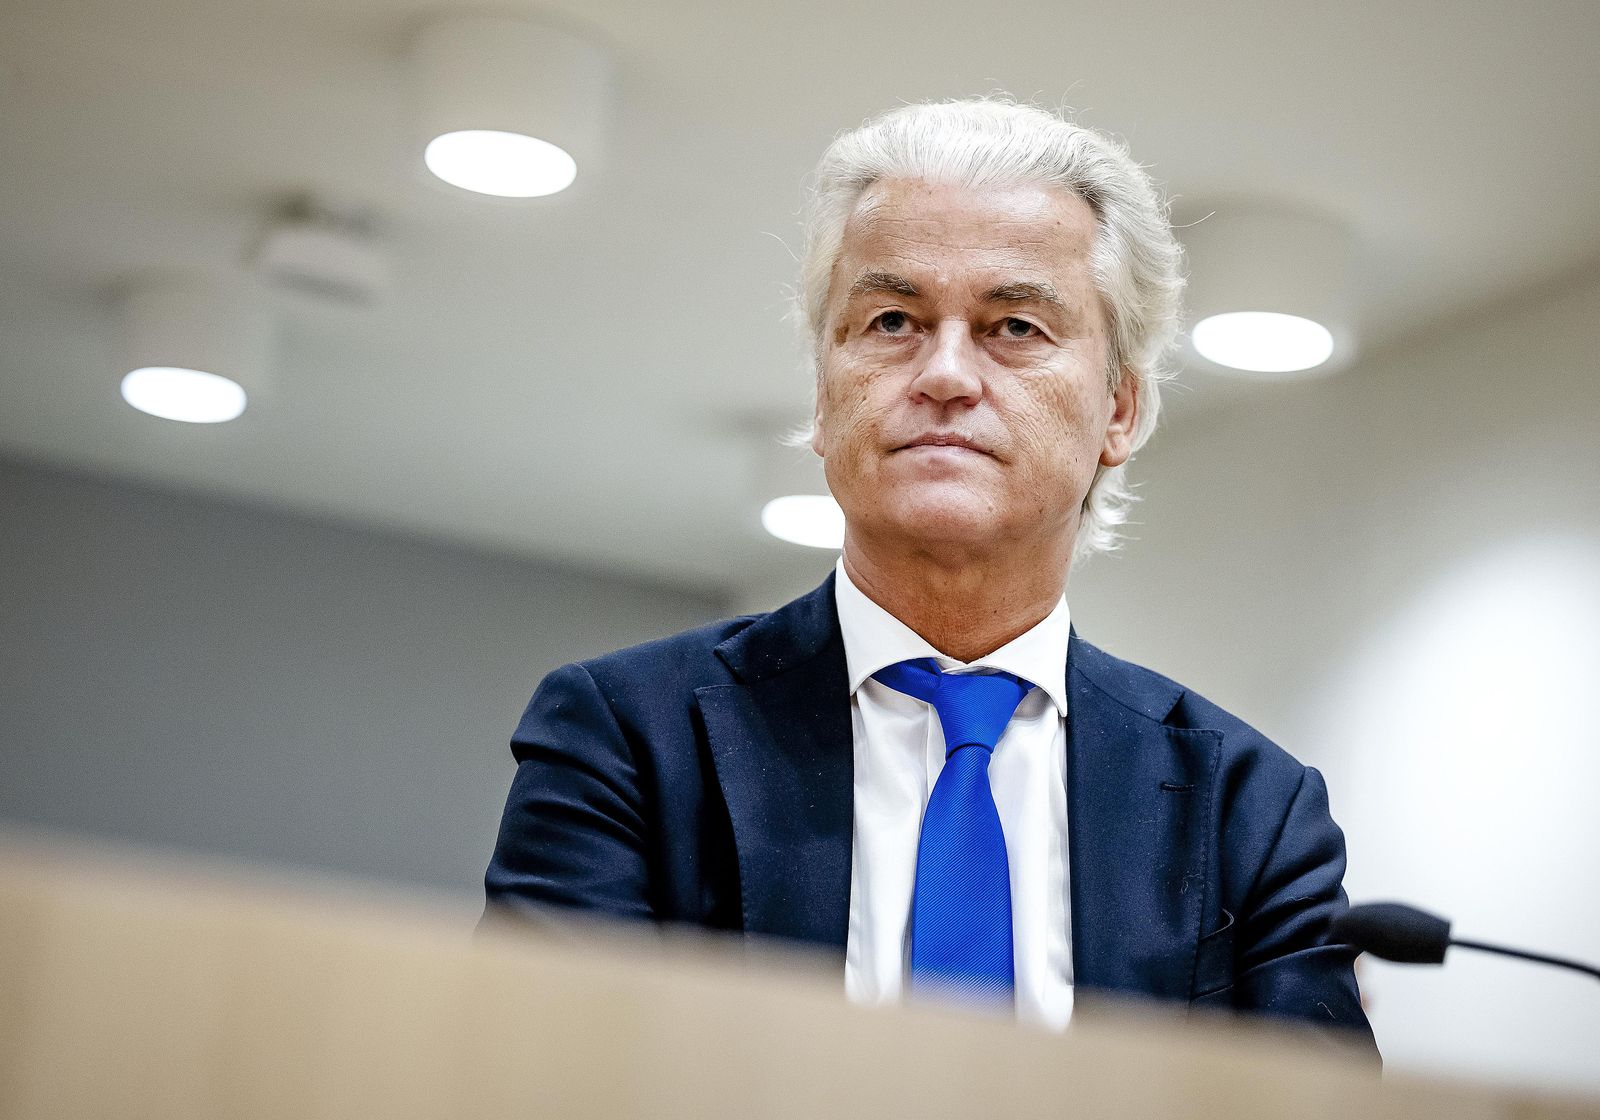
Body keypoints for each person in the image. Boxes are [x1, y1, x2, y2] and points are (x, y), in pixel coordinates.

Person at [485, 97, 1376, 1055]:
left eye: (1017, 327)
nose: (945, 372)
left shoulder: (1252, 809)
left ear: (1119, 410)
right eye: (893, 319)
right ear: (825, 397)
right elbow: (542, 1079)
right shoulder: (625, 737)